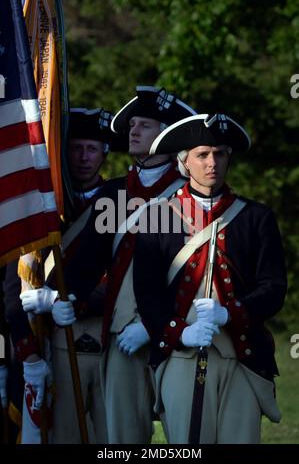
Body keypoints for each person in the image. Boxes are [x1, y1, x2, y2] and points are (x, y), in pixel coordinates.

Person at [21, 86, 197, 444]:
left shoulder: (187, 196)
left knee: (184, 438)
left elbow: (191, 274)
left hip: (172, 334)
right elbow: (89, 258)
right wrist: (61, 297)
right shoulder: (115, 194)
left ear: (166, 135)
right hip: (118, 336)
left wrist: (153, 325)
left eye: (145, 125)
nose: (133, 131)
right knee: (120, 438)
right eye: (132, 124)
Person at [133, 113, 287, 444]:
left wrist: (231, 312)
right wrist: (181, 332)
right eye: (202, 154)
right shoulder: (157, 218)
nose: (212, 162)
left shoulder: (255, 217)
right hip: (181, 354)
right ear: (184, 162)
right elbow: (147, 295)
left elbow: (274, 288)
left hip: (242, 357)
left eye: (220, 153)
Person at [20, 107, 121, 443]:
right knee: (65, 430)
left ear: (105, 153)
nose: (83, 157)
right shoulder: (48, 206)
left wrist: (77, 300)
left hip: (105, 327)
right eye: (76, 148)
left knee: (109, 431)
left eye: (92, 148)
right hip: (56, 332)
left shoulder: (120, 201)